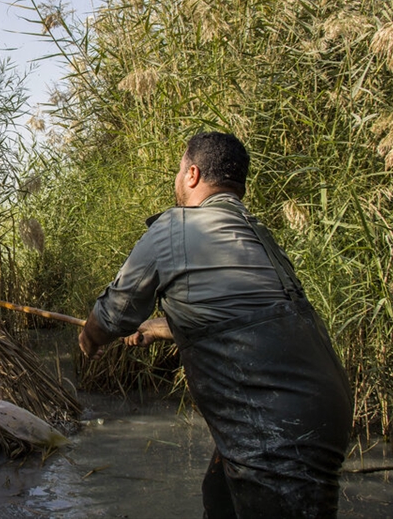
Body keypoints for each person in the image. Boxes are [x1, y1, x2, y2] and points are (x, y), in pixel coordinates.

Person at [78, 132, 353, 519]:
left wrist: (88, 339)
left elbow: (111, 315)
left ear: (191, 174)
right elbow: (241, 317)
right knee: (219, 496)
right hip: (320, 402)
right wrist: (158, 327)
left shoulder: (172, 229)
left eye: (178, 170)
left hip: (277, 423)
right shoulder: (256, 234)